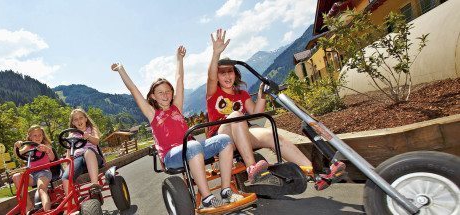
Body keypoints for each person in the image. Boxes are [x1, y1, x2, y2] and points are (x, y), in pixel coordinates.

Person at [206, 29, 346, 190]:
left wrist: (261, 95)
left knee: (271, 134)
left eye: (229, 71)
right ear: (217, 77)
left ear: (235, 73)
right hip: (221, 136)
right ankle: (253, 169)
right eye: (222, 73)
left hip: (241, 133)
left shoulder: (242, 94)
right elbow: (210, 77)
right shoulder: (213, 92)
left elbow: (256, 114)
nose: (227, 76)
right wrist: (216, 53)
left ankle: (315, 173)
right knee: (237, 115)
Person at [112, 46, 244, 209]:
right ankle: (207, 197)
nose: (165, 95)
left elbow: (180, 79)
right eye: (160, 92)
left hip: (191, 149)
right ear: (153, 96)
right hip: (171, 156)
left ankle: (225, 191)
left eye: (168, 91)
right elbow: (134, 90)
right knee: (193, 145)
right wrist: (121, 70)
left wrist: (179, 59)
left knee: (224, 140)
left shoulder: (177, 108)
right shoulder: (152, 113)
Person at [61, 109, 105, 197]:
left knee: (88, 152)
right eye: (76, 119)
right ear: (73, 122)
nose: (79, 121)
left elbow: (96, 141)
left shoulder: (91, 129)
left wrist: (89, 136)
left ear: (85, 119)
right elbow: (69, 153)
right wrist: (67, 166)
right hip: (79, 159)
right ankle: (71, 203)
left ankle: (94, 185)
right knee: (65, 177)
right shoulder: (71, 135)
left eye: (81, 118)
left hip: (94, 157)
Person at [12, 125, 56, 213]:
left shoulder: (46, 145)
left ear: (43, 136)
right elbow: (17, 154)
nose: (38, 137)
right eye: (35, 135)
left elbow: (52, 158)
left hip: (44, 172)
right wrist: (16, 146)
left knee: (41, 189)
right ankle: (29, 204)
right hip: (32, 174)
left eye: (40, 135)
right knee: (16, 176)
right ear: (30, 137)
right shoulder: (28, 147)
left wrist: (47, 150)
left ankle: (48, 211)